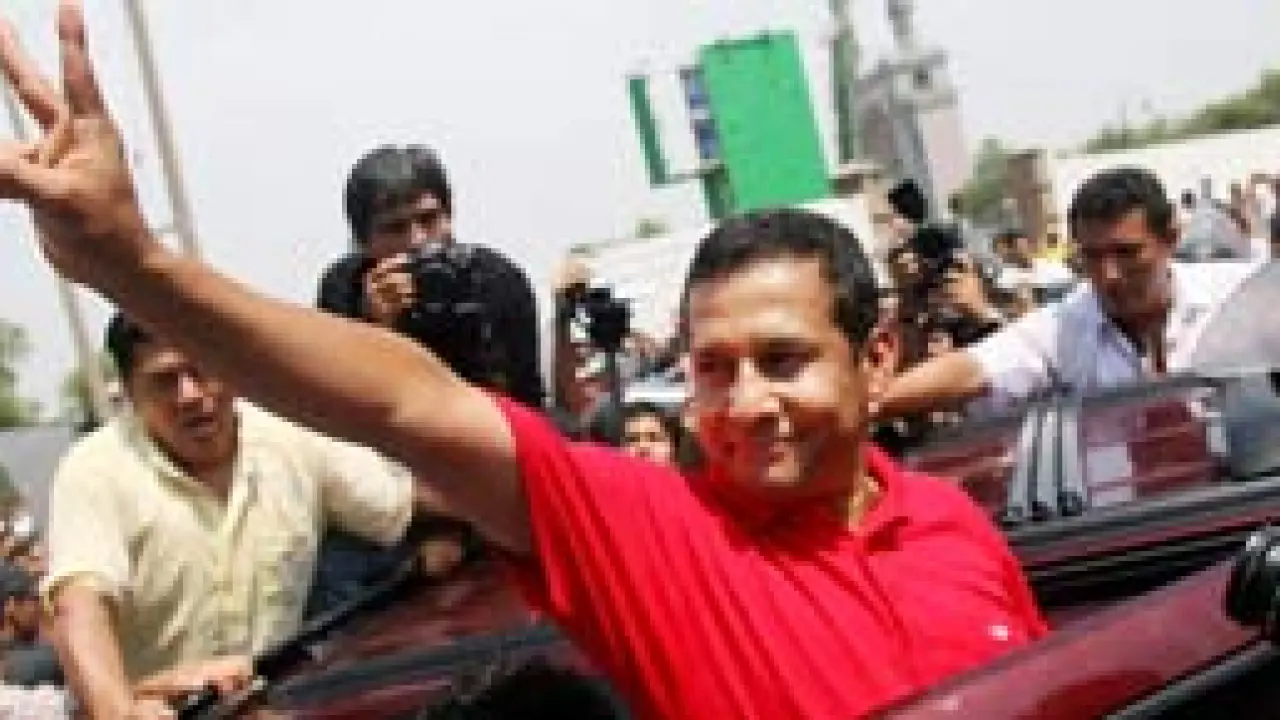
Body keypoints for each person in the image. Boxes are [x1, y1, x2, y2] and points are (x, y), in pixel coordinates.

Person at [0, 8, 1045, 718]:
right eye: (712, 367)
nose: (744, 402)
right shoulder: (651, 531)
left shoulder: (956, 526)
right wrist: (134, 263)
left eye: (782, 360)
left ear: (876, 357)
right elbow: (410, 406)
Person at [41, 315, 430, 718]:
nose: (190, 395)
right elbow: (80, 607)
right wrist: (119, 712)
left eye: (201, 369)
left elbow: (402, 504)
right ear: (129, 392)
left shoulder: (293, 437)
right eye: (165, 380)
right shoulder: (95, 471)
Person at [876, 168, 1262, 419]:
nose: (1109, 275)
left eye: (1127, 253)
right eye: (1092, 257)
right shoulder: (1064, 328)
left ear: (1170, 239)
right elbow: (972, 369)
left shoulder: (1243, 293)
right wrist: (867, 403)